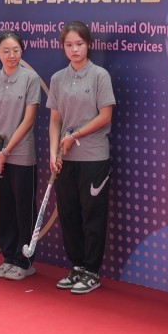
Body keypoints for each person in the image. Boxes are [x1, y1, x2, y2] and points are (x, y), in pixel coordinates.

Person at [47, 21, 115, 295]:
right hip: (65, 159)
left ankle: (91, 270)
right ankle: (76, 266)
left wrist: (74, 136)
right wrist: (54, 151)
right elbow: (55, 119)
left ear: (89, 45)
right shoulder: (57, 79)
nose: (74, 49)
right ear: (63, 47)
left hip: (94, 158)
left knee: (92, 215)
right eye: (69, 45)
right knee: (69, 214)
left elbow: (105, 116)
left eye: (79, 44)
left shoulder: (99, 76)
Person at [0, 30, 41, 280]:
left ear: (22, 51)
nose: (11, 55)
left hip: (21, 156)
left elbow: (28, 120)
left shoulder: (30, 78)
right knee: (2, 207)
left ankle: (24, 260)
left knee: (22, 210)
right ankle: (8, 257)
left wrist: (5, 151)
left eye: (16, 50)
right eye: (6, 51)